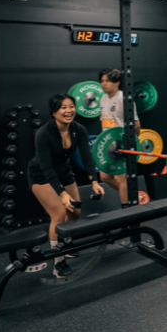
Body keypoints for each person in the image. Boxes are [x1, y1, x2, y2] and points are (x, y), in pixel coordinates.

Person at [28, 94, 105, 278]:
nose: (68, 110)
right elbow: (46, 167)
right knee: (59, 213)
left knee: (75, 211)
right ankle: (58, 263)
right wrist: (61, 193)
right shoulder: (43, 134)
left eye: (71, 106)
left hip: (64, 171)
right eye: (63, 107)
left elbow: (87, 157)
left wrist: (94, 181)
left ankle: (65, 244)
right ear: (54, 112)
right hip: (41, 174)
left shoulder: (79, 129)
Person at [98, 68, 140, 208]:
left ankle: (127, 210)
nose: (104, 84)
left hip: (122, 145)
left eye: (107, 81)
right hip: (108, 146)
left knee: (120, 179)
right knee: (104, 177)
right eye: (102, 81)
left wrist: (132, 142)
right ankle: (134, 196)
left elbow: (136, 125)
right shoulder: (103, 99)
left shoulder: (124, 99)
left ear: (117, 82)